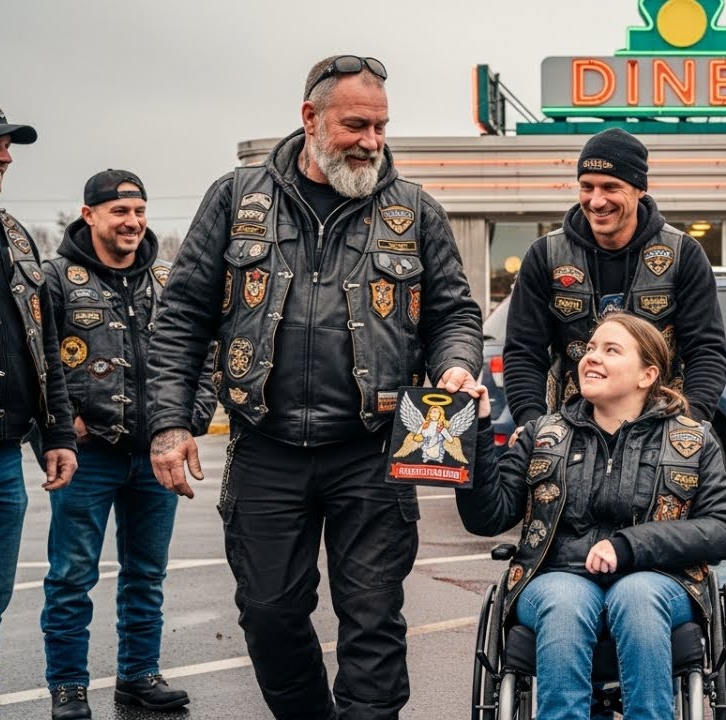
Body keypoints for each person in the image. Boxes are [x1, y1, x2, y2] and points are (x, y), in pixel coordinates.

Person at [146, 56, 483, 719]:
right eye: (356, 124)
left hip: (373, 449)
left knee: (374, 620)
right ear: (310, 118)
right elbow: (181, 315)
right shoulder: (235, 199)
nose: (372, 140)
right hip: (265, 447)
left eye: (381, 125)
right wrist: (169, 420)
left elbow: (455, 315)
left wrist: (457, 361)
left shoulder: (415, 210)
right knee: (268, 615)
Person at [458, 312, 726, 720]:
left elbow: (724, 529)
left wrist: (628, 546)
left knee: (637, 594)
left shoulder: (692, 439)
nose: (592, 357)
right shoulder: (543, 434)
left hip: (661, 581)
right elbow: (486, 517)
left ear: (647, 375)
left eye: (611, 350)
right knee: (565, 598)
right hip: (558, 577)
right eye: (590, 348)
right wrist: (479, 431)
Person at [40, 170, 217, 719]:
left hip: (154, 455)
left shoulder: (169, 279)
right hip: (86, 458)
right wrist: (61, 423)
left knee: (147, 575)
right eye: (119, 212)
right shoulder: (55, 280)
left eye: (139, 211)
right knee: (72, 576)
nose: (133, 222)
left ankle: (139, 676)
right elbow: (37, 358)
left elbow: (204, 355)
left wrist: (189, 420)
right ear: (89, 214)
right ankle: (67, 686)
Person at [503, 127, 726, 433]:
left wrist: (689, 423)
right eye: (587, 186)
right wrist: (532, 424)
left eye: (610, 187)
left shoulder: (683, 254)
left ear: (640, 189)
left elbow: (706, 350)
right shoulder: (546, 255)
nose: (596, 201)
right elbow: (523, 350)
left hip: (659, 430)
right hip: (569, 431)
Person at [0, 97, 78, 720]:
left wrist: (57, 430)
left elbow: (43, 340)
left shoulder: (15, 234)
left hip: (1, 460)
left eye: (6, 142)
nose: (4, 153)